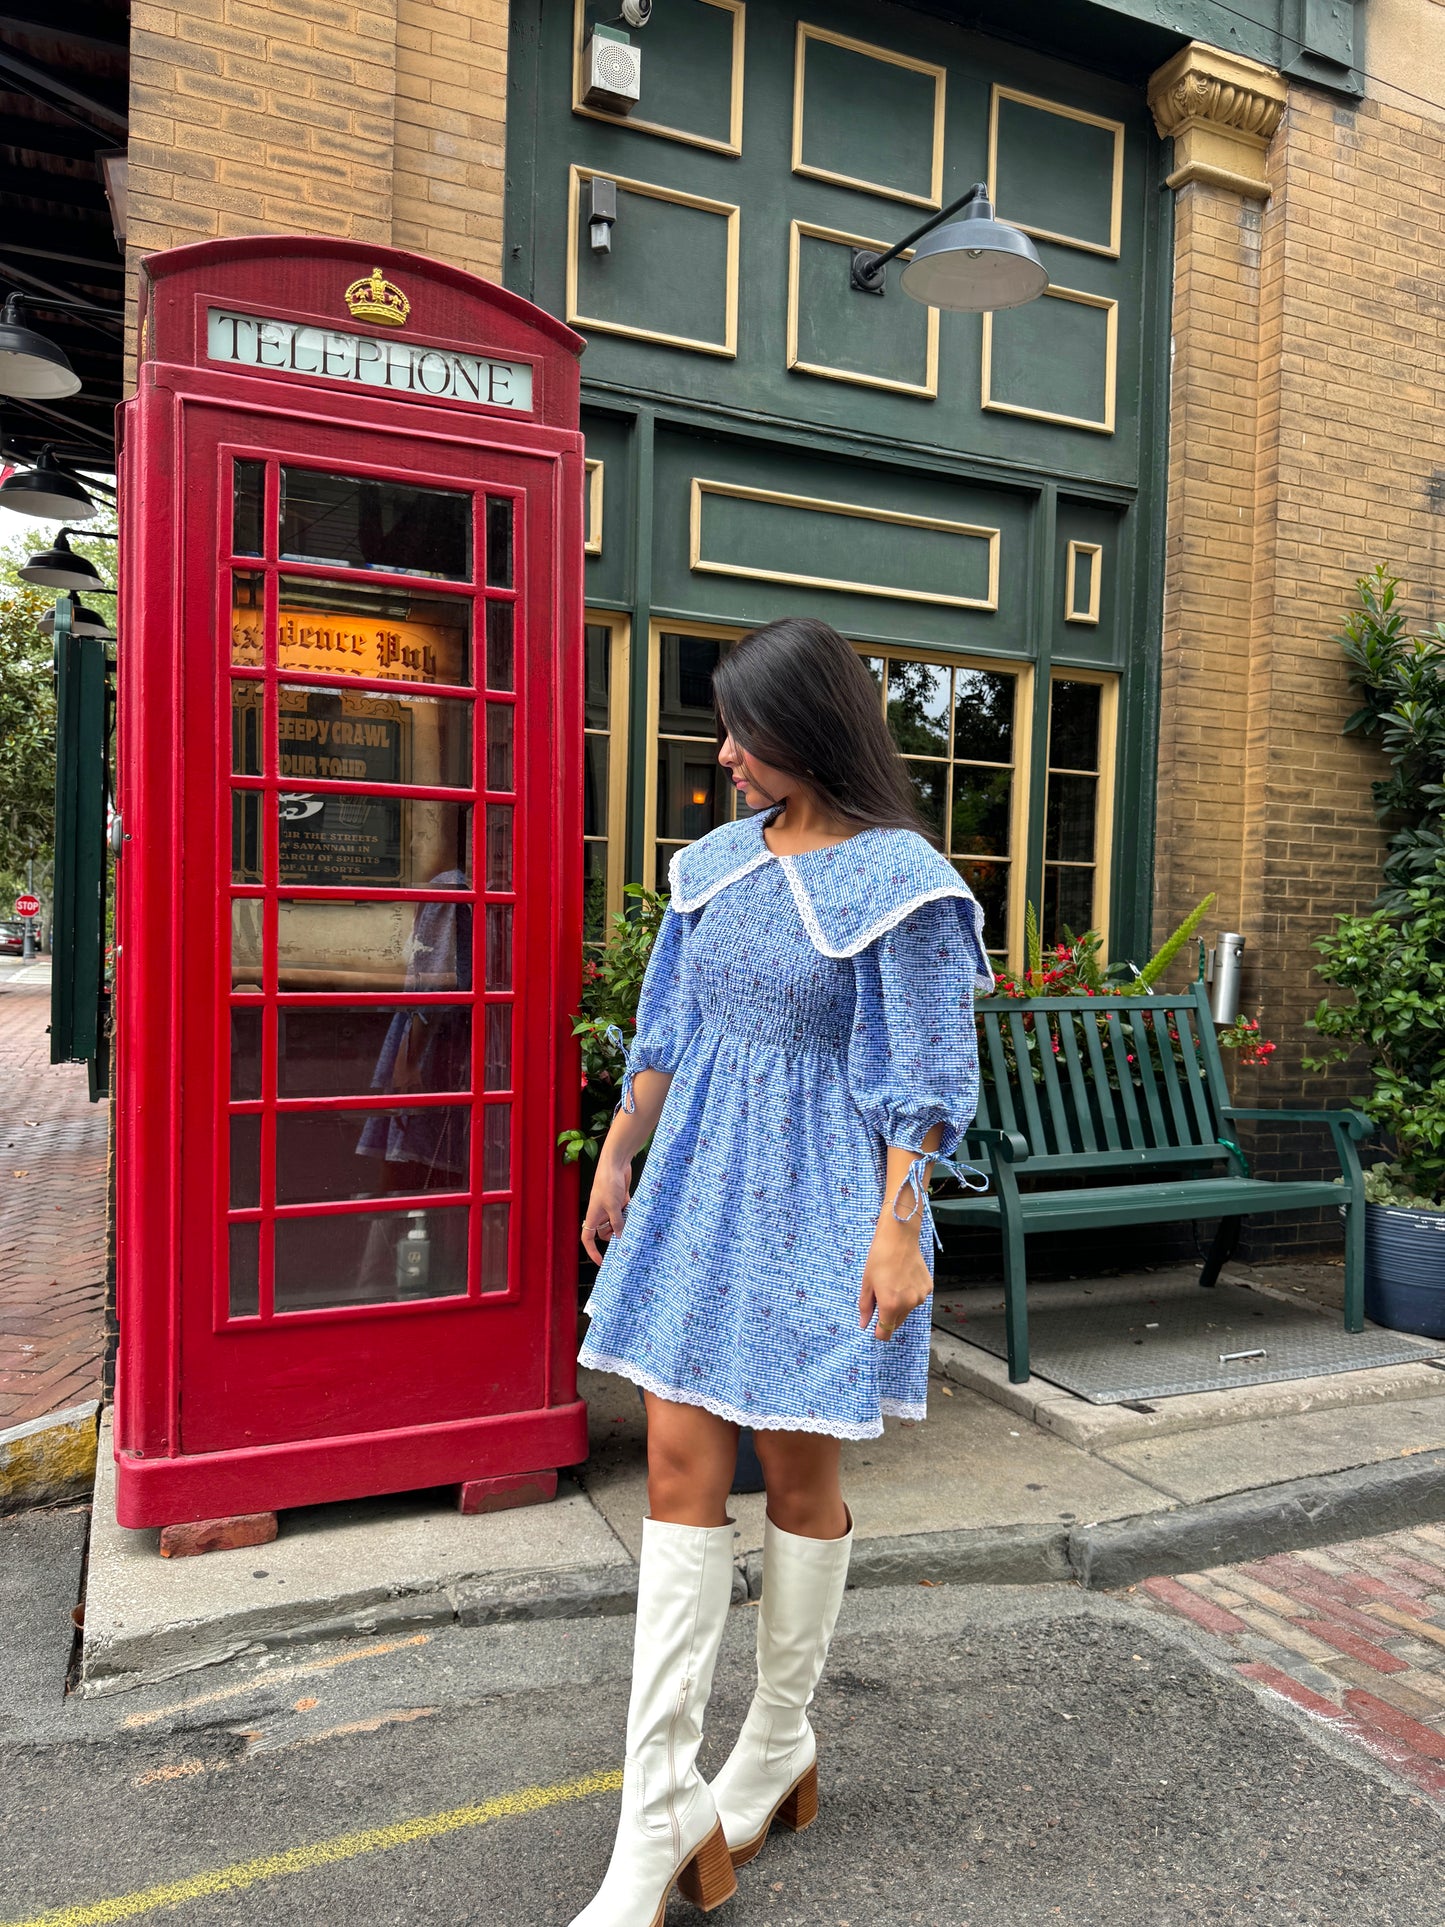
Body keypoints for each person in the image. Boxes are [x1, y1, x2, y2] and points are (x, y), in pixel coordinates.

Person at [572, 618, 991, 1925]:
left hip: (824, 1205)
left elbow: (924, 1080)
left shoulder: (900, 881)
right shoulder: (708, 867)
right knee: (680, 1476)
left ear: (805, 728)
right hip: (697, 1192)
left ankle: (775, 1746)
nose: (725, 750)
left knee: (799, 1479)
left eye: (741, 728)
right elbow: (667, 1026)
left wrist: (897, 1225)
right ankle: (652, 1823)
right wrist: (617, 1151)